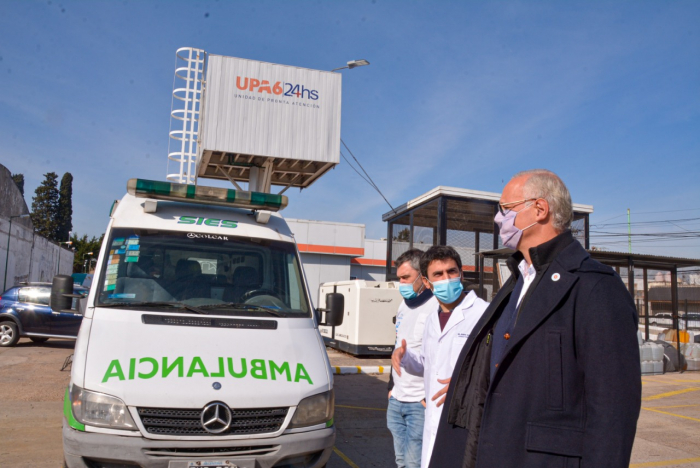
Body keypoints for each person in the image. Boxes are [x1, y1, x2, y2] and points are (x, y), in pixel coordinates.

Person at [428, 169, 642, 468]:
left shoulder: (595, 287)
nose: (497, 219)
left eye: (506, 209)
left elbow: (613, 411)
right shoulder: (518, 281)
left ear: (539, 209)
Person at [392, 245, 488, 468]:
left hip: (465, 419)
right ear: (427, 282)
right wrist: (405, 358)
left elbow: (494, 368)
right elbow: (428, 365)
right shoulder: (432, 319)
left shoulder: (483, 314)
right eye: (438, 274)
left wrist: (466, 385)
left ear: (461, 274)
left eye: (452, 272)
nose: (447, 279)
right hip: (433, 418)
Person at [387, 249, 438, 468]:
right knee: (401, 461)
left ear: (422, 277)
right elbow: (397, 346)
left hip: (420, 403)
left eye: (406, 277)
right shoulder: (403, 306)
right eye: (399, 277)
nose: (401, 283)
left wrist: (430, 395)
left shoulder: (436, 306)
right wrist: (391, 388)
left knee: (414, 463)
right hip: (397, 401)